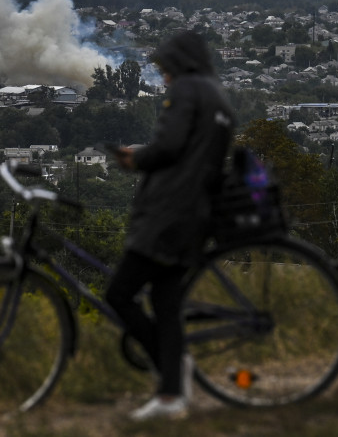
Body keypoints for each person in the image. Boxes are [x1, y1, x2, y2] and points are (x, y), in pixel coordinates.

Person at [105, 30, 235, 421]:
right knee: (166, 304)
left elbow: (169, 145)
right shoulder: (218, 95)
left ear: (180, 64)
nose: (163, 77)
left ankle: (171, 368)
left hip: (168, 213)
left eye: (166, 70)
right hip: (195, 214)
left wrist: (136, 159)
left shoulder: (186, 91)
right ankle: (171, 397)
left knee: (120, 295)